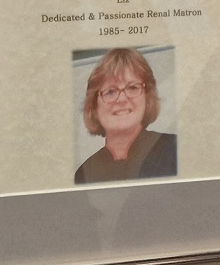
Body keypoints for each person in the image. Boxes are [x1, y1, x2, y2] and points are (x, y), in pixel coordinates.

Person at [75, 48, 177, 183]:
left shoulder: (175, 151)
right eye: (110, 92)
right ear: (94, 106)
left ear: (147, 98)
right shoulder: (83, 174)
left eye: (133, 88)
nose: (122, 99)